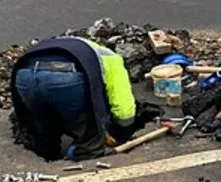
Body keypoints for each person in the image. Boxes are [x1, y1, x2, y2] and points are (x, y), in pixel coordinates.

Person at [10, 36, 151, 161]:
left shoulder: (73, 46)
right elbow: (123, 107)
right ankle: (78, 155)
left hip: (24, 76)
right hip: (64, 78)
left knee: (43, 123)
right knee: (87, 132)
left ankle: (47, 156)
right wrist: (122, 134)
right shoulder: (112, 59)